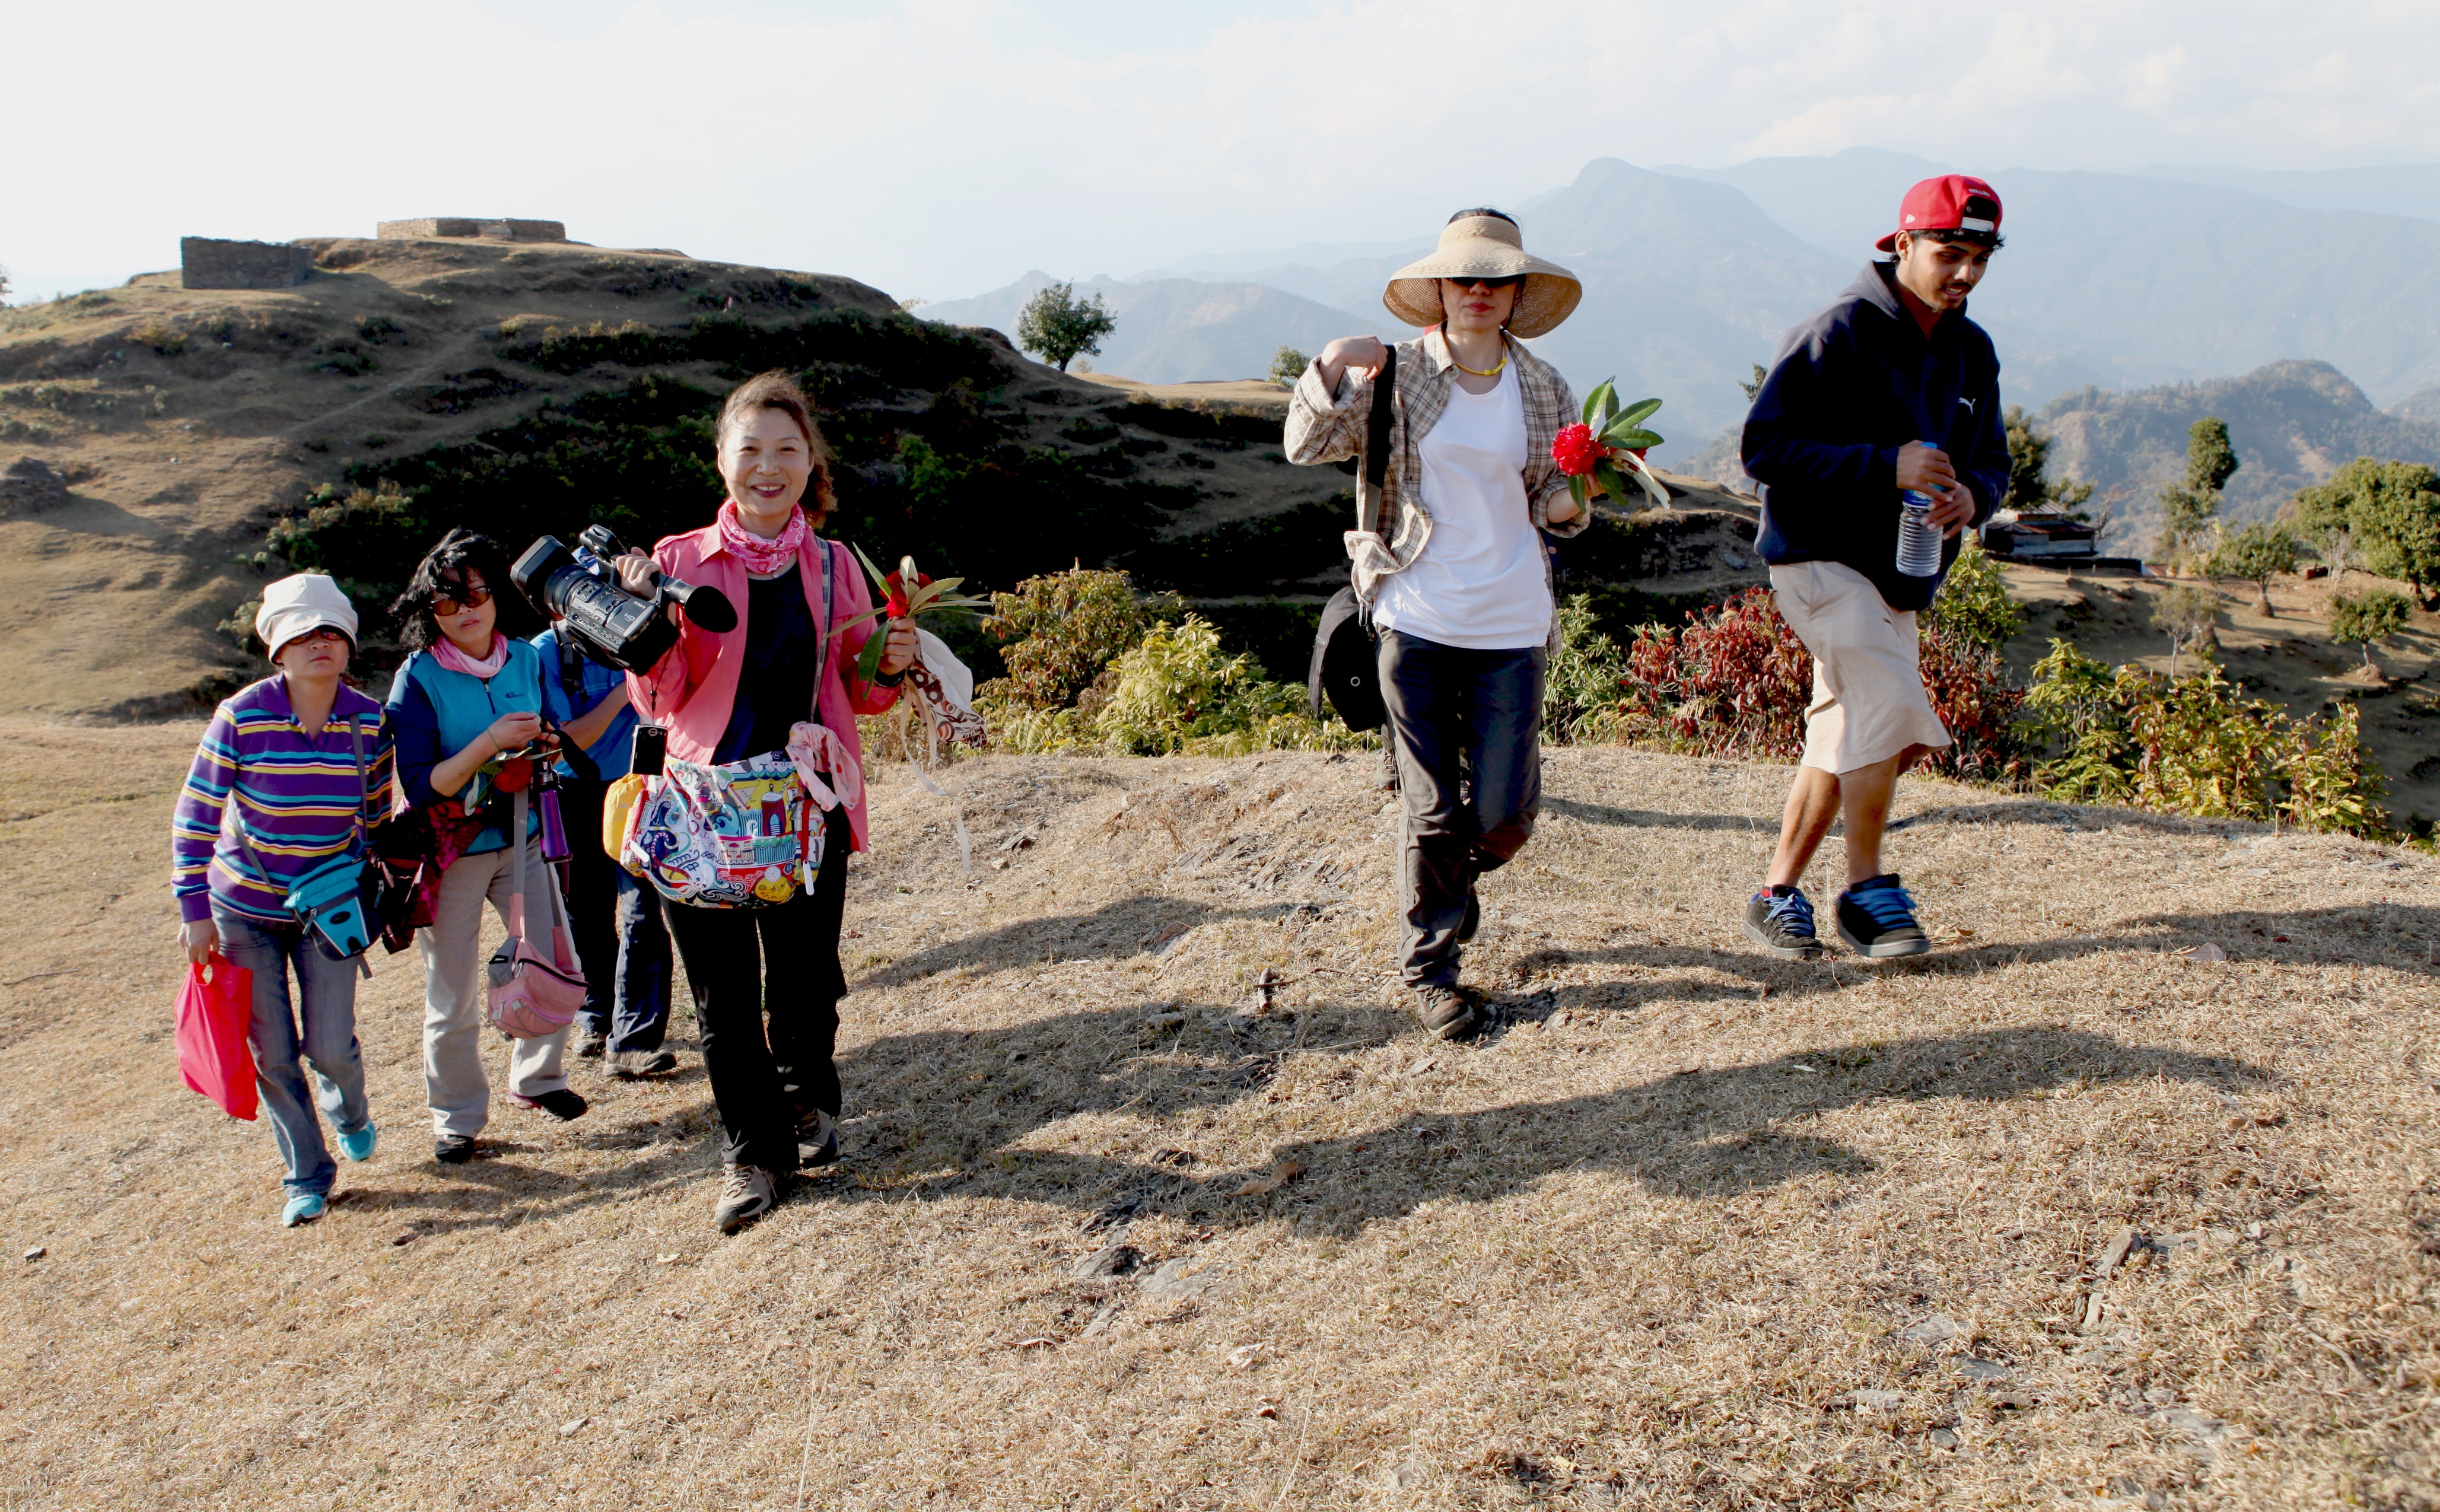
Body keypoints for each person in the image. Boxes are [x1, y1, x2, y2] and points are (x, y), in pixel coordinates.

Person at [616, 370, 916, 1233]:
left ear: (810, 460)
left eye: (788, 449)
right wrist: (644, 634)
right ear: (722, 461)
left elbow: (863, 691)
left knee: (804, 983)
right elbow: (658, 701)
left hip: (805, 808)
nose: (769, 466)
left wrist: (889, 661)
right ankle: (752, 1154)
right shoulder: (675, 564)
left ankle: (807, 1096)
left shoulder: (831, 566)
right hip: (702, 812)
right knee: (721, 1000)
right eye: (751, 448)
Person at [1285, 209, 1593, 1043]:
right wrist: (1337, 361)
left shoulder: (1547, 388)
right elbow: (1303, 444)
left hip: (1512, 618)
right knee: (1431, 808)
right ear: (1441, 289)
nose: (1481, 293)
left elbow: (1549, 506)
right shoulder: (1397, 375)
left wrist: (1581, 492)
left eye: (1497, 280)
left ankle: (1457, 877)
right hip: (1415, 612)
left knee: (1501, 815)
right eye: (1466, 279)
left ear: (1517, 292)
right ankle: (1432, 973)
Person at [1739, 174, 2011, 961]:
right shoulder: (1839, 331)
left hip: (1904, 566)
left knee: (1845, 729)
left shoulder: (1972, 349)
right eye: (1949, 254)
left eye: (1979, 259)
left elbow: (1992, 461)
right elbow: (1763, 450)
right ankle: (1864, 892)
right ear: (1901, 246)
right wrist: (1881, 466)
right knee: (1887, 704)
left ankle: (1775, 894)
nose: (1963, 274)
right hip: (1818, 559)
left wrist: (1971, 498)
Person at [171, 574, 392, 1226]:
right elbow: (195, 816)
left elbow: (377, 816)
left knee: (329, 1044)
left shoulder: (370, 718)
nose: (318, 643)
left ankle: (350, 1110)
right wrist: (194, 911)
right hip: (242, 909)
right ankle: (307, 1175)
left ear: (348, 642)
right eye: (302, 633)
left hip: (330, 907)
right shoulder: (241, 715)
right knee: (272, 1052)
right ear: (277, 647)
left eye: (330, 630)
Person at [384, 529, 586, 1164]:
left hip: (523, 836)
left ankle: (538, 1077)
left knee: (552, 953)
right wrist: (491, 745)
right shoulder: (416, 679)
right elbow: (422, 785)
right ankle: (457, 1117)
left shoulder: (526, 658)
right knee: (452, 990)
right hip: (453, 854)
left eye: (476, 591)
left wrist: (543, 744)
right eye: (447, 601)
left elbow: (547, 726)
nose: (466, 607)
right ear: (429, 611)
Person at [533, 612, 676, 1078]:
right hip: (575, 791)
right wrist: (627, 687)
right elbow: (569, 740)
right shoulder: (546, 652)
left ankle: (634, 1038)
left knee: (643, 908)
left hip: (640, 784)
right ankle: (596, 1014)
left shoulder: (643, 636)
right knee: (586, 911)